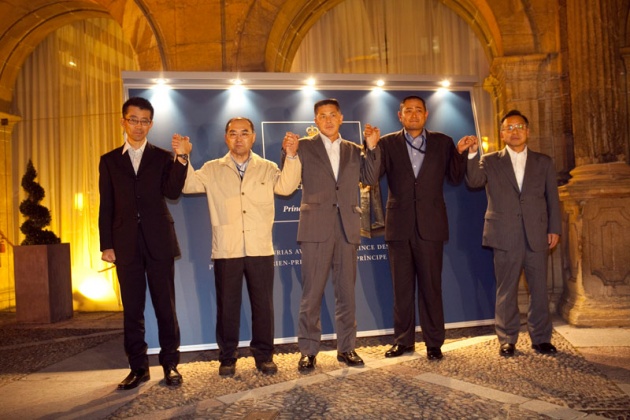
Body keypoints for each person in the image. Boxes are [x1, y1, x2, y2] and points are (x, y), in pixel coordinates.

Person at [172, 117, 301, 376]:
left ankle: (264, 356)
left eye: (244, 133)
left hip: (260, 248)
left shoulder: (267, 167)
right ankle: (228, 357)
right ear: (225, 137)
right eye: (233, 133)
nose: (239, 138)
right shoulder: (212, 168)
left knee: (263, 306)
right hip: (226, 249)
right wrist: (183, 158)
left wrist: (292, 156)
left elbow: (287, 188)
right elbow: (187, 185)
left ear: (253, 137)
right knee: (227, 305)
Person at [364, 95, 475, 361]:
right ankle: (402, 341)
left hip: (431, 226)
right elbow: (371, 175)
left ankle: (434, 342)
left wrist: (461, 154)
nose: (413, 115)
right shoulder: (387, 143)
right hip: (399, 226)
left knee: (431, 287)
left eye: (418, 110)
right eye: (408, 111)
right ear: (399, 115)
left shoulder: (443, 142)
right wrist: (371, 148)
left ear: (426, 114)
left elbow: (456, 177)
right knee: (401, 288)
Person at [284, 98, 381, 372]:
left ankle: (347, 348)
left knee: (346, 293)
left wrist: (372, 148)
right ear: (315, 121)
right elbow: (289, 181)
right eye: (322, 115)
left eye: (332, 115)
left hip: (347, 226)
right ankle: (308, 350)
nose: (327, 120)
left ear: (341, 118)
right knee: (311, 293)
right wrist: (289, 153)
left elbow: (371, 179)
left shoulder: (354, 150)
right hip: (315, 227)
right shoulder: (303, 146)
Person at [99, 96, 188, 390]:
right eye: (133, 119)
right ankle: (138, 368)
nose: (138, 126)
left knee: (166, 307)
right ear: (123, 121)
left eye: (144, 120)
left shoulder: (163, 157)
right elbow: (106, 205)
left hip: (159, 241)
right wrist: (106, 244)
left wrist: (182, 160)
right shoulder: (109, 160)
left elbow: (172, 192)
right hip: (125, 246)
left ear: (151, 123)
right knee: (133, 310)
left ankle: (171, 365)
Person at [465, 109, 561, 356]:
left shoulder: (544, 162)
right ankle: (507, 338)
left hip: (538, 233)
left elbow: (552, 198)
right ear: (502, 134)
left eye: (519, 127)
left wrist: (554, 229)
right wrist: (473, 153)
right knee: (506, 289)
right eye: (509, 128)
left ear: (527, 131)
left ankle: (541, 338)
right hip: (504, 234)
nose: (515, 132)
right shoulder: (490, 160)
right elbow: (474, 181)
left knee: (539, 288)